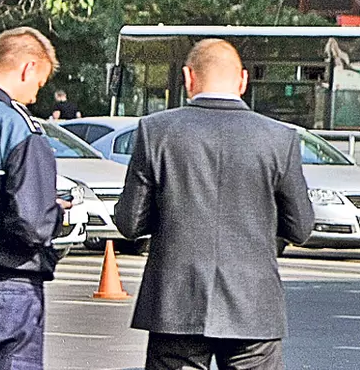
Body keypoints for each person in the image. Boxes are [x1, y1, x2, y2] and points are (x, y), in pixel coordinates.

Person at [114, 39, 314, 370]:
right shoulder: (280, 138)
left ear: (187, 78)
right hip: (253, 306)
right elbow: (301, 227)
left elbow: (130, 222)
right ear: (243, 80)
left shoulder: (156, 132)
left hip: (176, 305)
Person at [0, 27, 69, 370]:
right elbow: (32, 224)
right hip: (6, 288)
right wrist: (58, 215)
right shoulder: (19, 128)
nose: (34, 96)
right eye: (38, 84)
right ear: (27, 68)